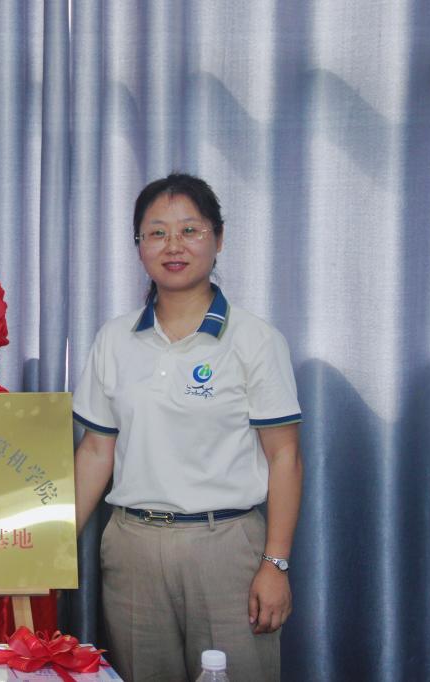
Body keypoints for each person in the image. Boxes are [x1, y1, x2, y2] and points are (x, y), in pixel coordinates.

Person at [72, 173, 303, 682]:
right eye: (156, 232)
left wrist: (276, 564)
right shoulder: (114, 339)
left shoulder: (255, 339)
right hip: (132, 547)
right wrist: (52, 546)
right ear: (139, 245)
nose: (173, 245)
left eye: (190, 230)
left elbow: (284, 456)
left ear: (218, 239)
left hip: (226, 548)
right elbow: (95, 452)